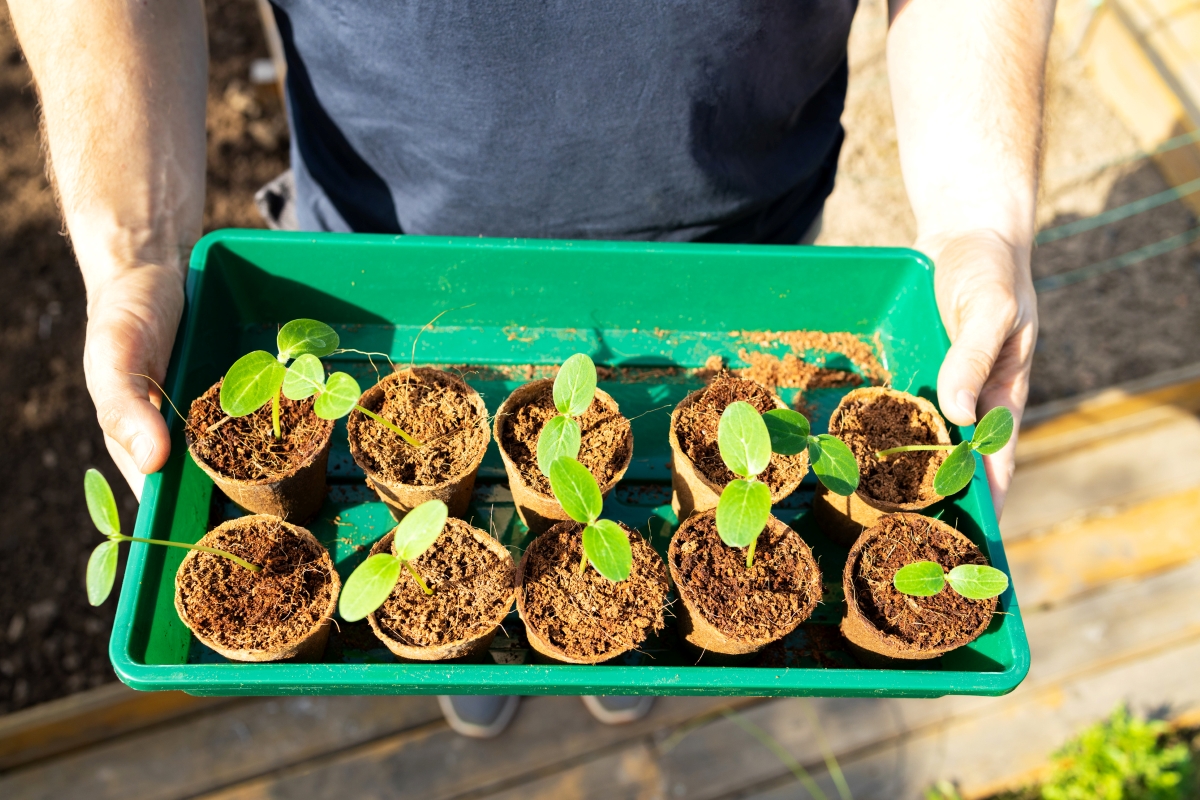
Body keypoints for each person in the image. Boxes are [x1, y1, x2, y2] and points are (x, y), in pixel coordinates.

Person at [9, 0, 1052, 738]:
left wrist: (979, 218)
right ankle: (465, 677)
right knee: (437, 573)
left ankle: (635, 667)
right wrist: (136, 250)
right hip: (369, 265)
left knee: (637, 566)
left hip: (742, 270)